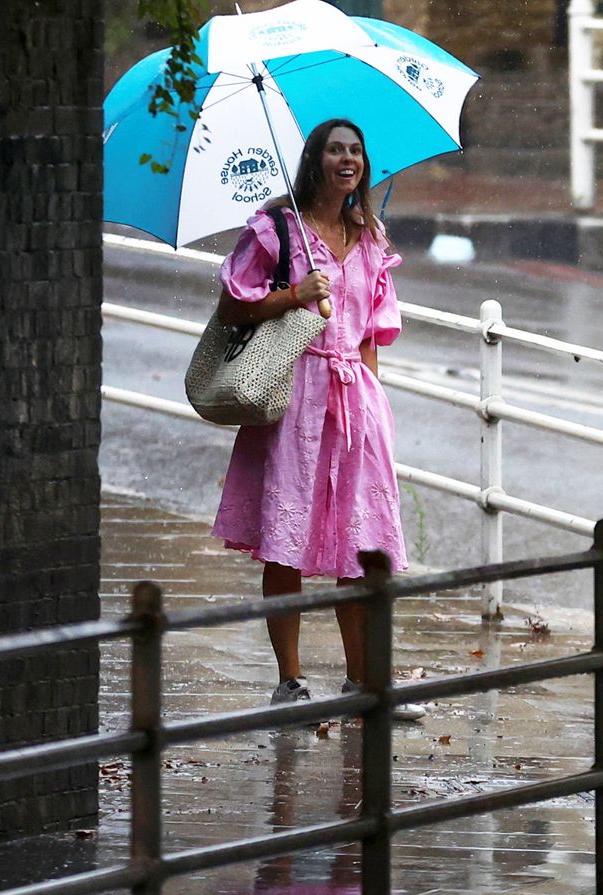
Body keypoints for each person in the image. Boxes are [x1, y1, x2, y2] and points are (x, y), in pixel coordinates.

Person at [210, 118, 425, 721]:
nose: (347, 159)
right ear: (315, 161)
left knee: (361, 544)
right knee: (287, 543)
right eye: (335, 150)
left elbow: (370, 337)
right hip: (292, 398)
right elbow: (232, 304)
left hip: (355, 404)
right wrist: (294, 294)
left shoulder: (371, 238)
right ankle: (291, 681)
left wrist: (375, 409)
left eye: (356, 150)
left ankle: (361, 682)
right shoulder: (279, 233)